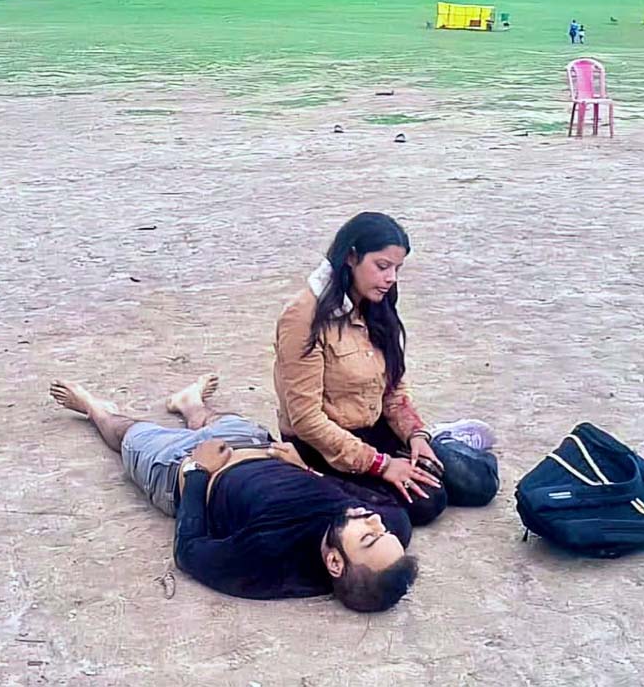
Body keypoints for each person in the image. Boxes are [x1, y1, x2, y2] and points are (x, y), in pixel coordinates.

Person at [49, 372, 418, 611]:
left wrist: (198, 470)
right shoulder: (387, 529)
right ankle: (191, 404)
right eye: (382, 530)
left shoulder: (268, 564)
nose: (374, 520)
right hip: (255, 443)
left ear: (335, 563)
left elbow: (189, 551)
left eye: (368, 537)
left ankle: (93, 408)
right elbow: (378, 506)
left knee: (127, 435)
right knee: (213, 420)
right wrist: (307, 470)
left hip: (181, 466)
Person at [274, 212, 498, 518]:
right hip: (323, 443)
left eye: (397, 268)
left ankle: (445, 440)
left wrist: (415, 435)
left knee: (478, 484)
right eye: (382, 266)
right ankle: (317, 479)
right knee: (426, 503)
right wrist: (381, 464)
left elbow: (393, 387)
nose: (391, 278)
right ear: (351, 257)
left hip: (375, 426)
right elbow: (306, 419)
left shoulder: (377, 302)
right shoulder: (303, 317)